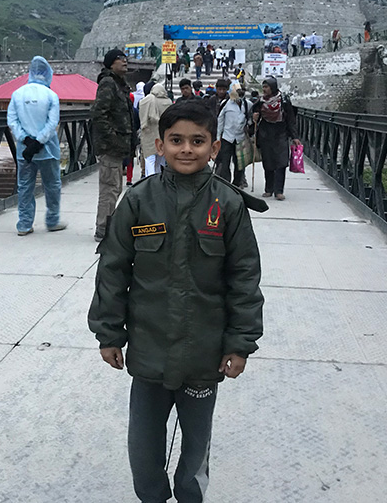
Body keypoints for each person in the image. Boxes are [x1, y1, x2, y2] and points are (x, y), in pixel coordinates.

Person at [88, 100, 266, 503]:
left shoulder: (228, 204)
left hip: (204, 352)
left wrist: (240, 343)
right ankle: (151, 496)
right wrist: (108, 333)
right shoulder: (138, 200)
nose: (187, 149)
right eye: (176, 140)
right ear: (160, 145)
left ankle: (190, 496)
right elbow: (113, 270)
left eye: (198, 141)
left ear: (214, 147)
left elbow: (244, 278)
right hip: (149, 349)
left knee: (197, 443)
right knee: (143, 445)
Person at [6, 56, 65, 235]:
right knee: (52, 185)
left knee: (25, 186)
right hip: (47, 149)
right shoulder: (51, 95)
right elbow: (52, 122)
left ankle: (24, 224)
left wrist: (26, 140)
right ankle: (52, 220)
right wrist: (39, 141)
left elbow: (12, 121)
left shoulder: (17, 94)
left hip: (25, 151)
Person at [91, 49, 134, 242]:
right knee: (109, 188)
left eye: (126, 58)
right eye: (120, 59)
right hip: (110, 147)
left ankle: (108, 226)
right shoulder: (108, 83)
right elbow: (99, 114)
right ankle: (103, 229)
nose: (125, 61)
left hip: (118, 147)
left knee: (114, 187)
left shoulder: (119, 84)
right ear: (110, 63)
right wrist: (113, 139)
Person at [252, 77, 300, 201]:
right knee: (268, 162)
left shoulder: (283, 101)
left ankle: (279, 191)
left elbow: (291, 119)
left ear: (273, 87)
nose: (264, 89)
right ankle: (269, 189)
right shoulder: (260, 102)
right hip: (266, 134)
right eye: (263, 87)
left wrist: (294, 137)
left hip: (281, 134)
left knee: (281, 162)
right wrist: (254, 118)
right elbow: (253, 117)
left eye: (266, 87)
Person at [215, 82, 251, 188]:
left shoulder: (247, 104)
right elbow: (220, 121)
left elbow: (249, 120)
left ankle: (237, 184)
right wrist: (218, 137)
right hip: (227, 138)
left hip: (240, 138)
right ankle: (226, 184)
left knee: (240, 163)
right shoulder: (226, 104)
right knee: (225, 162)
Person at [138, 82, 172, 176]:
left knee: (150, 160)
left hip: (149, 135)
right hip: (163, 135)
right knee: (161, 160)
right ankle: (160, 178)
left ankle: (150, 179)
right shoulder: (168, 102)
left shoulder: (147, 100)